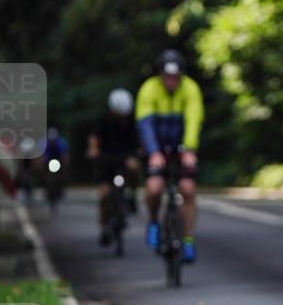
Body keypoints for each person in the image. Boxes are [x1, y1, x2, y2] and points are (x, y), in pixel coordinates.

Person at [136, 50, 204, 263]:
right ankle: (154, 222)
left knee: (187, 190)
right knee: (155, 188)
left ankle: (188, 241)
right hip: (157, 147)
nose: (172, 82)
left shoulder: (190, 88)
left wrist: (190, 150)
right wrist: (153, 152)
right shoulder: (149, 89)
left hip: (181, 148)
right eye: (167, 77)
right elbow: (145, 124)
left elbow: (194, 119)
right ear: (160, 76)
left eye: (176, 77)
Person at [87, 88, 141, 246]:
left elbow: (139, 140)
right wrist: (94, 151)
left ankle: (132, 194)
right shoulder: (103, 120)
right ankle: (104, 227)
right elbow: (94, 139)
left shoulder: (132, 120)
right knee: (104, 195)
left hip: (125, 158)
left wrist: (139, 153)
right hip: (106, 160)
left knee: (134, 168)